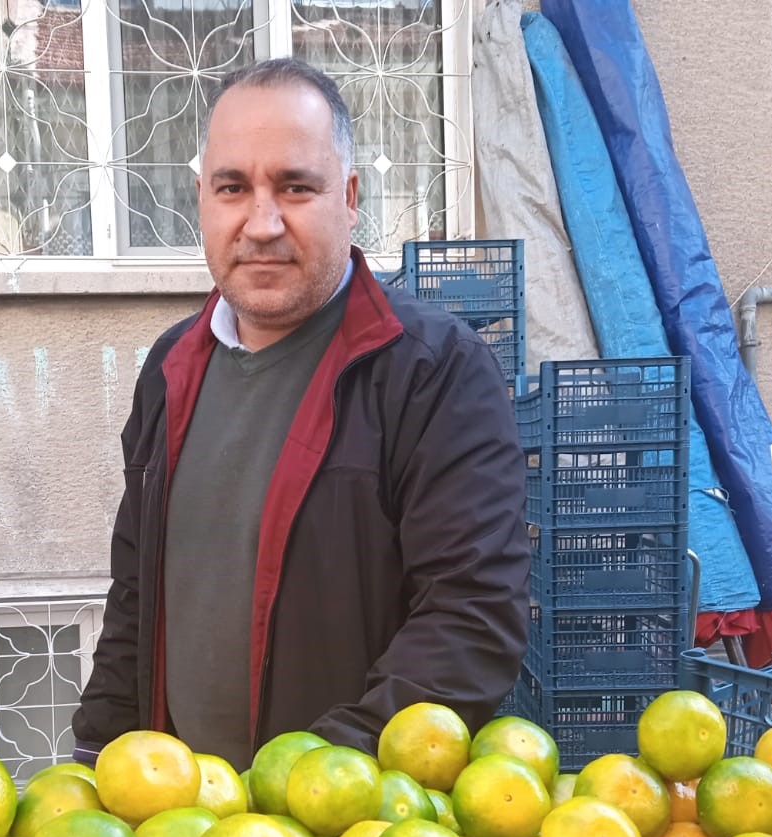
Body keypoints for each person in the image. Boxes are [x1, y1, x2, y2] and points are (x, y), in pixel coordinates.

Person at [72, 58, 528, 771]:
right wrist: (98, 748)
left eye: (294, 186)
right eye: (232, 188)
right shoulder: (171, 369)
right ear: (202, 200)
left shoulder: (432, 371)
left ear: (348, 197)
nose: (260, 222)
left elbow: (471, 619)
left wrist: (312, 781)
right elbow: (137, 595)